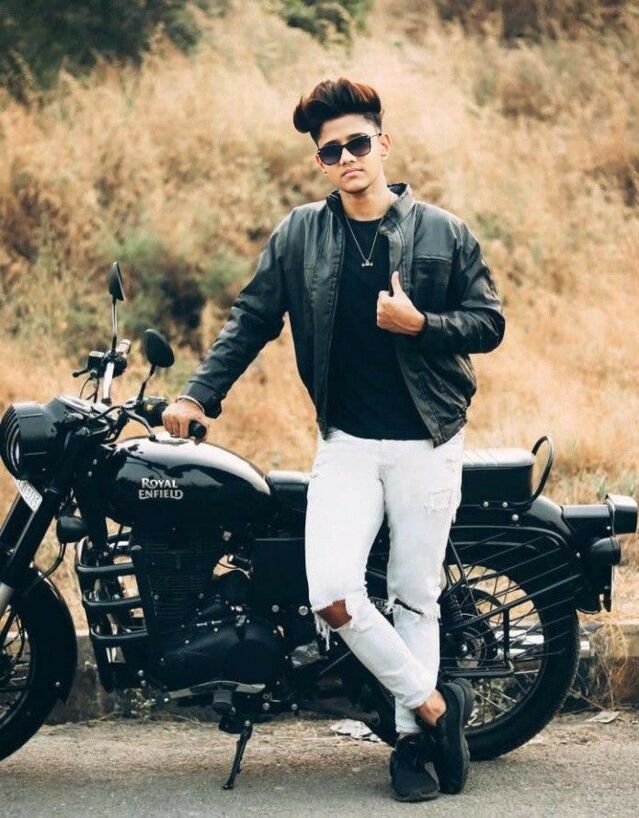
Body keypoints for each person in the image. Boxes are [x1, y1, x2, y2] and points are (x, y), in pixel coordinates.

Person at [162, 77, 505, 801]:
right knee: (334, 595)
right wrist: (197, 395)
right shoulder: (300, 235)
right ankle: (436, 710)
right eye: (331, 150)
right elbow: (251, 319)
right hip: (346, 443)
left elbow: (489, 322)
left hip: (428, 441)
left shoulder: (443, 232)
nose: (347, 157)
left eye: (357, 143)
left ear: (384, 143)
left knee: (414, 595)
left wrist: (423, 326)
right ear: (319, 161)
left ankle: (409, 750)